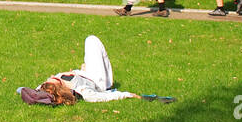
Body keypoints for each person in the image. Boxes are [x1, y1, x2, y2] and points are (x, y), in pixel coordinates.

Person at [17, 36, 174, 105]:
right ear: (59, 86)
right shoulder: (79, 89)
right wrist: (128, 95)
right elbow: (101, 97)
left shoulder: (50, 86)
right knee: (91, 40)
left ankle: (92, 71)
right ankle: (108, 80)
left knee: (90, 47)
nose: (52, 76)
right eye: (53, 78)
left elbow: (23, 89)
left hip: (86, 73)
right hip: (99, 81)